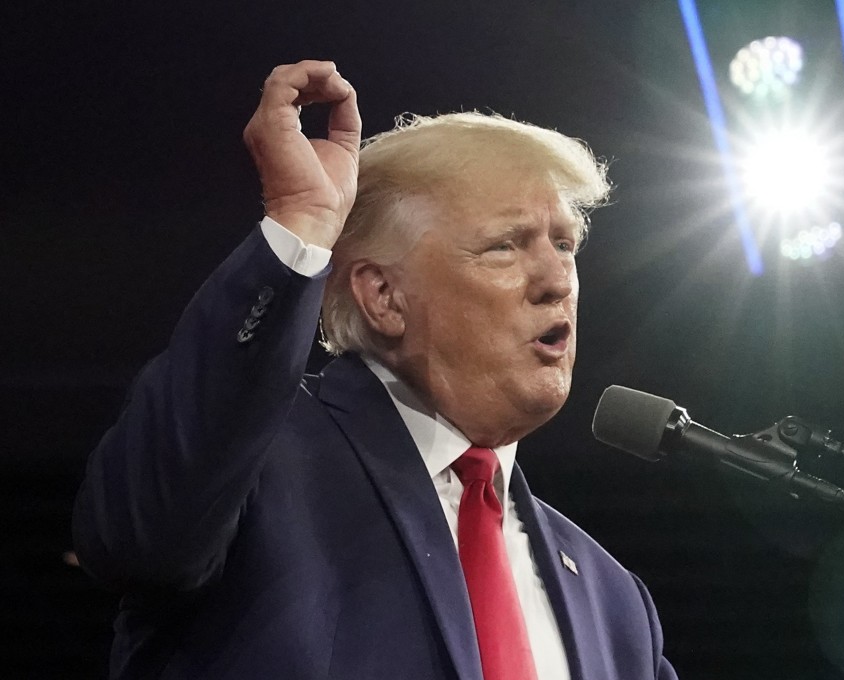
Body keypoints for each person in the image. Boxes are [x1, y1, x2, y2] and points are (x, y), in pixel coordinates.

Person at [73, 60, 678, 680]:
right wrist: (302, 221)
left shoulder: (614, 602)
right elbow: (134, 535)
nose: (556, 281)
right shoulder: (253, 469)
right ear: (384, 296)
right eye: (505, 244)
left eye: (565, 244)